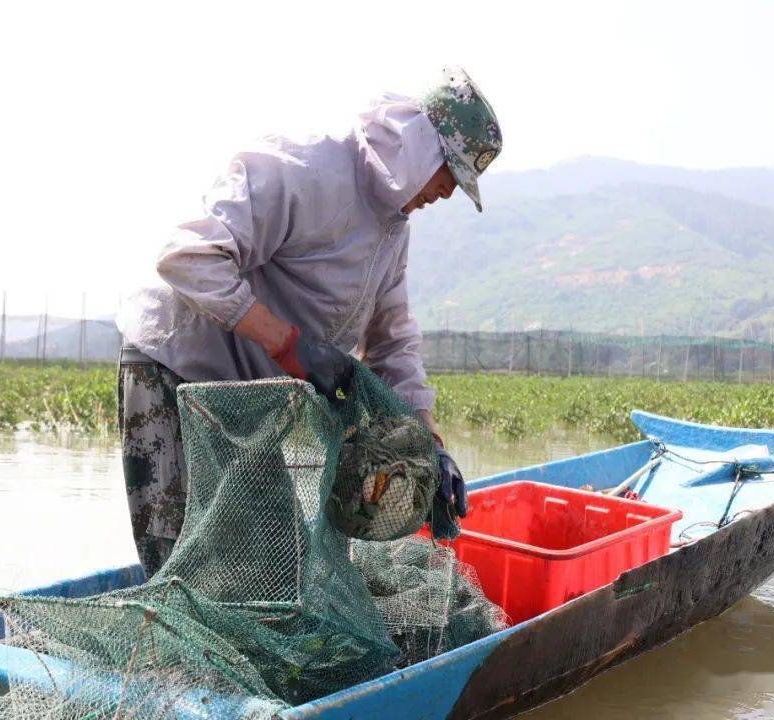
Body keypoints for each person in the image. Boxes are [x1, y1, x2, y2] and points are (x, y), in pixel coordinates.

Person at [116, 66, 502, 575]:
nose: (448, 192)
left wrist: (430, 442)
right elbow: (187, 256)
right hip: (173, 369)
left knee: (277, 567)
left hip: (248, 398)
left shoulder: (393, 230)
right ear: (419, 145)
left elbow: (393, 343)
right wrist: (287, 344)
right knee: (183, 568)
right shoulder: (306, 166)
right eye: (449, 173)